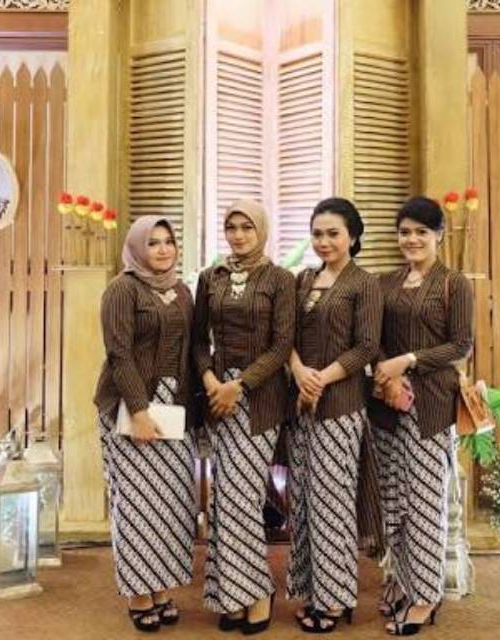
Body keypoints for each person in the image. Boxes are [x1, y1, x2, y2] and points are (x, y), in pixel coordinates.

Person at [371, 196, 473, 636]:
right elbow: (371, 337)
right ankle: (400, 581)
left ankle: (426, 596)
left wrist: (408, 361)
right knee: (394, 500)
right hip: (387, 405)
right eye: (405, 232)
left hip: (430, 406)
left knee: (425, 502)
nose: (411, 239)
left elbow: (461, 345)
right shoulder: (386, 282)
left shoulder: (454, 283)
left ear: (439, 236)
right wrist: (388, 374)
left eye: (421, 232)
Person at [194, 199, 296, 635]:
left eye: (246, 227)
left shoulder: (280, 279)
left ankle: (257, 592)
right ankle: (231, 596)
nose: (238, 235)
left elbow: (281, 345)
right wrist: (210, 379)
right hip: (218, 399)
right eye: (231, 227)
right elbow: (198, 341)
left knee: (241, 499)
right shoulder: (210, 277)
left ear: (262, 231)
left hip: (259, 400)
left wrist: (239, 385)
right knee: (224, 500)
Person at [94, 216, 197, 633]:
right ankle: (139, 594)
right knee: (137, 506)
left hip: (174, 410)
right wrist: (138, 411)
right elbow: (118, 353)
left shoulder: (183, 291)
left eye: (168, 241)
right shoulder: (122, 289)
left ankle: (161, 588)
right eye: (153, 242)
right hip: (129, 404)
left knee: (170, 505)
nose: (162, 249)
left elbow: (191, 350)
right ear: (138, 248)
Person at [286, 197, 382, 634]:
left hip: (340, 404)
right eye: (317, 233)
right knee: (305, 502)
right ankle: (313, 592)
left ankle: (335, 599)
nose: (324, 241)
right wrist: (298, 372)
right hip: (301, 402)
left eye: (333, 234)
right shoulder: (304, 280)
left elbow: (366, 346)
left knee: (332, 502)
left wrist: (320, 378)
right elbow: (284, 336)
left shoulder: (364, 283)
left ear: (353, 236)